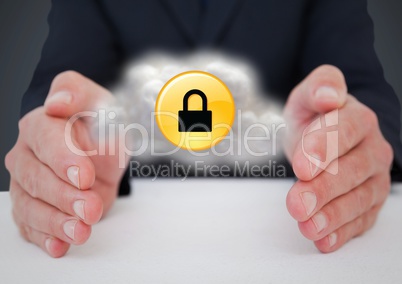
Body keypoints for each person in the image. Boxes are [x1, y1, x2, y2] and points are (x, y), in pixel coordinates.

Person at [5, 0, 401, 258]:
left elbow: (364, 90)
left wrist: (354, 136)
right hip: (133, 227)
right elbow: (58, 88)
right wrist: (61, 147)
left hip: (282, 219)